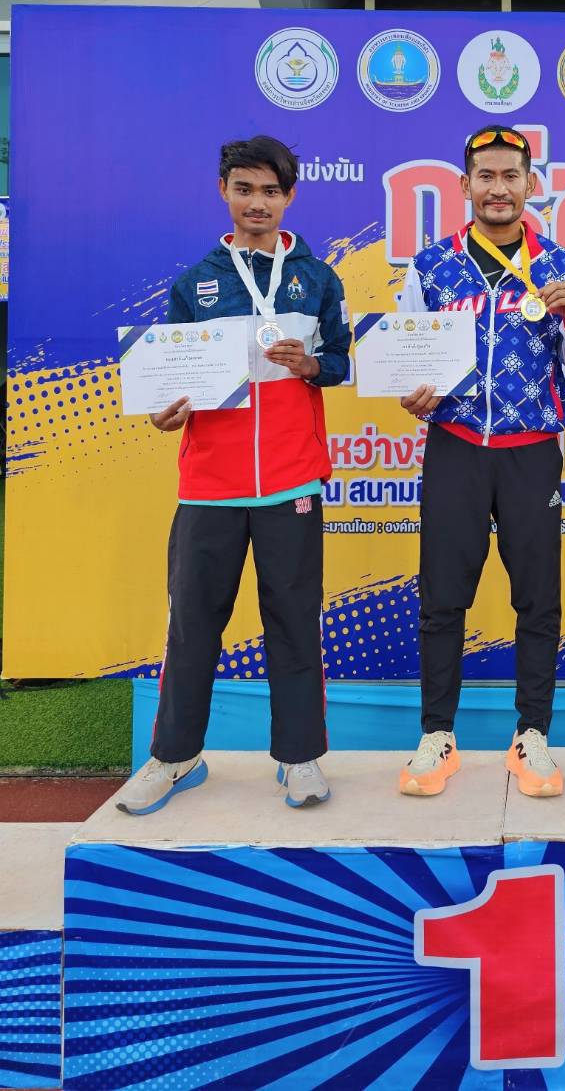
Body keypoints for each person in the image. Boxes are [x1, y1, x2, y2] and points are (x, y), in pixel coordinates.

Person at [117, 135, 350, 816]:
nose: (257, 203)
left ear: (290, 197)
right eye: (244, 189)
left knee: (294, 622)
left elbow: (340, 360)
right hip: (209, 484)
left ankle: (299, 756)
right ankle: (175, 755)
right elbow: (171, 380)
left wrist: (313, 365)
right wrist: (164, 413)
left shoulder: (317, 278)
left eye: (271, 191)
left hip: (290, 479)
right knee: (192, 625)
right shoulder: (195, 282)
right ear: (224, 190)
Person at [396, 126, 565, 799]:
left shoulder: (562, 264)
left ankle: (532, 734)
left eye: (511, 175)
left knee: (538, 598)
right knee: (442, 596)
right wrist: (412, 392)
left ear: (531, 184)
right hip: (455, 446)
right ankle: (437, 736)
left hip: (531, 452)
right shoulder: (429, 266)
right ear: (465, 185)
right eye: (486, 175)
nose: (499, 188)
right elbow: (410, 358)